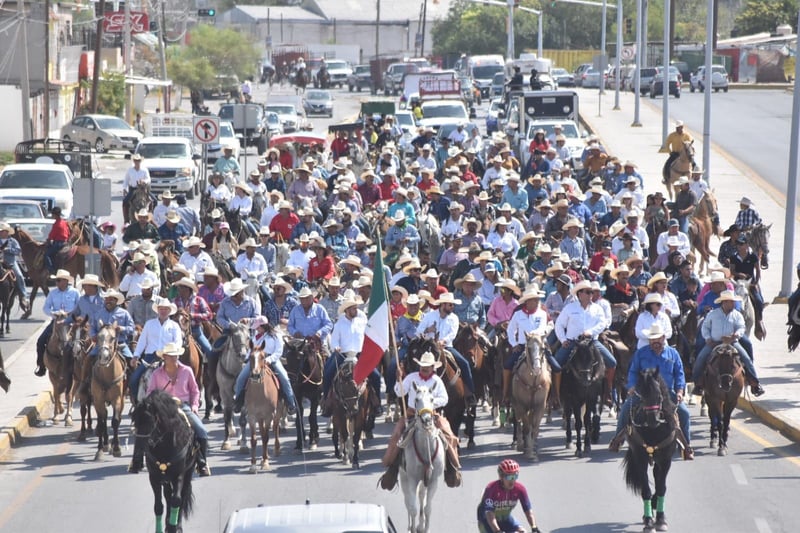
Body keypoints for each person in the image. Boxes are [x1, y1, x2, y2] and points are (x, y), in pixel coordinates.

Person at [608, 323, 693, 460]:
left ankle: (686, 447)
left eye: (658, 339)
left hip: (667, 392)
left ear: (663, 338)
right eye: (652, 339)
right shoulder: (641, 353)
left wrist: (680, 391)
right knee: (625, 409)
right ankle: (617, 441)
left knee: (684, 413)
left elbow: (679, 374)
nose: (655, 342)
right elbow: (633, 371)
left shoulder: (673, 354)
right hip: (644, 391)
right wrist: (632, 386)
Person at [380, 351, 462, 490]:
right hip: (412, 414)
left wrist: (428, 403)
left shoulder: (437, 380)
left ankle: (453, 467)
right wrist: (398, 379)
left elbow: (445, 399)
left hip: (432, 415)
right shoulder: (411, 378)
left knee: (449, 435)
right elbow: (399, 392)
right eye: (422, 366)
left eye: (427, 366)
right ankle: (391, 469)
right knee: (396, 435)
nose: (424, 368)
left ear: (432, 367)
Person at [129, 342, 210, 476]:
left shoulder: (187, 371)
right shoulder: (156, 374)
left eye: (176, 355)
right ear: (164, 357)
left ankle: (202, 463)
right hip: (162, 408)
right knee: (142, 428)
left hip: (182, 406)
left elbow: (195, 391)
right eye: (171, 355)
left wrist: (195, 406)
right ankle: (136, 461)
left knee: (201, 430)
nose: (174, 358)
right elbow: (150, 393)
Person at [552, 280, 617, 402]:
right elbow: (559, 325)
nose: (590, 294)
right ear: (579, 294)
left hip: (591, 342)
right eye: (588, 292)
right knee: (556, 365)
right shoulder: (570, 308)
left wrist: (590, 332)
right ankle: (555, 395)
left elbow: (602, 323)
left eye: (591, 292)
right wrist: (563, 339)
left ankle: (607, 391)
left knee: (612, 362)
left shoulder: (597, 309)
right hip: (572, 342)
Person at [692, 290, 765, 396]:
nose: (733, 304)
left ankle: (755, 383)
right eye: (731, 302)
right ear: (724, 302)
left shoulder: (737, 315)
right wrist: (708, 338)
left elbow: (741, 327)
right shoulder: (713, 314)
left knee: (746, 358)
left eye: (733, 302)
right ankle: (698, 384)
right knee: (700, 359)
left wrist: (735, 335)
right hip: (714, 342)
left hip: (732, 342)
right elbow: (705, 327)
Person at [321, 296, 383, 415]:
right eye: (354, 308)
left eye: (356, 308)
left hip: (360, 354)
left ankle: (377, 403)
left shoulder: (362, 322)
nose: (356, 310)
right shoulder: (339, 324)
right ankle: (326, 402)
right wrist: (336, 347)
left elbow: (368, 336)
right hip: (343, 354)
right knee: (328, 373)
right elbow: (334, 340)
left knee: (376, 376)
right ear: (347, 310)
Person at [416, 292, 477, 405]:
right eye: (450, 305)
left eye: (452, 305)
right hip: (428, 348)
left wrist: (443, 341)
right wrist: (427, 330)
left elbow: (452, 334)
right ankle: (411, 392)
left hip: (447, 347)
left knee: (464, 363)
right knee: (415, 364)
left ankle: (470, 393)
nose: (452, 307)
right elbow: (418, 332)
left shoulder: (454, 318)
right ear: (443, 305)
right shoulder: (429, 316)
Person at [232, 316, 298, 415]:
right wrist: (246, 358)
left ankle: (290, 403)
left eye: (258, 327)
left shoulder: (276, 335)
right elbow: (250, 350)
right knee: (241, 377)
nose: (257, 329)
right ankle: (238, 401)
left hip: (272, 359)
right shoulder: (255, 337)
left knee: (284, 377)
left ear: (264, 326)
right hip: (255, 360)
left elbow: (278, 351)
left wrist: (269, 359)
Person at [503, 286, 550, 405]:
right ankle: (506, 393)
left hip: (538, 345)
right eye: (532, 300)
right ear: (527, 301)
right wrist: (514, 344)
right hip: (523, 345)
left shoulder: (542, 314)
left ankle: (553, 395)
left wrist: (535, 336)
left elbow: (543, 328)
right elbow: (510, 330)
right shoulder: (518, 314)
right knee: (507, 365)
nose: (535, 302)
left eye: (536, 299)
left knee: (555, 366)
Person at [129, 298, 183, 402]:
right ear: (157, 310)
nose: (163, 311)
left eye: (165, 309)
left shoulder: (174, 326)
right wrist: (136, 356)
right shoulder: (149, 324)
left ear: (169, 311)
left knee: (183, 376)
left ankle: (183, 401)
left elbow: (178, 342)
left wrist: (174, 354)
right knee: (134, 378)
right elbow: (142, 341)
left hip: (169, 356)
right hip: (151, 356)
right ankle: (136, 403)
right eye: (161, 309)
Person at [34, 269, 80, 376]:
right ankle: (41, 365)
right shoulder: (53, 293)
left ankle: (81, 366)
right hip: (56, 321)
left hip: (70, 322)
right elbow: (46, 307)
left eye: (59, 280)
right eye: (57, 281)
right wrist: (53, 313)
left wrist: (70, 314)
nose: (57, 283)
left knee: (80, 342)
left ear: (65, 281)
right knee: (40, 341)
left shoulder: (75, 292)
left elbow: (79, 307)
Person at [477, 459, 541, 533]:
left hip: (505, 519)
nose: (512, 480)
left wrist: (534, 527)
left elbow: (528, 510)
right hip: (487, 521)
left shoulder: (520, 489)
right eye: (509, 477)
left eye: (515, 476)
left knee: (523, 532)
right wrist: (497, 531)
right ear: (501, 477)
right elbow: (489, 514)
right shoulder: (491, 489)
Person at [0, 223, 29, 313]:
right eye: (1, 231)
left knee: (19, 276)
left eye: (4, 231)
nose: (2, 233)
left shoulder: (13, 241)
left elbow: (18, 251)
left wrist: (8, 250)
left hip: (10, 263)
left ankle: (23, 296)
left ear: (7, 232)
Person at [43, 206, 70, 274]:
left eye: (52, 214)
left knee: (47, 255)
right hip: (65, 242)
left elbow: (51, 236)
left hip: (58, 243)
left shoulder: (56, 224)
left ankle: (51, 270)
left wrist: (48, 241)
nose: (52, 216)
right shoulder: (64, 222)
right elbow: (68, 233)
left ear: (55, 215)